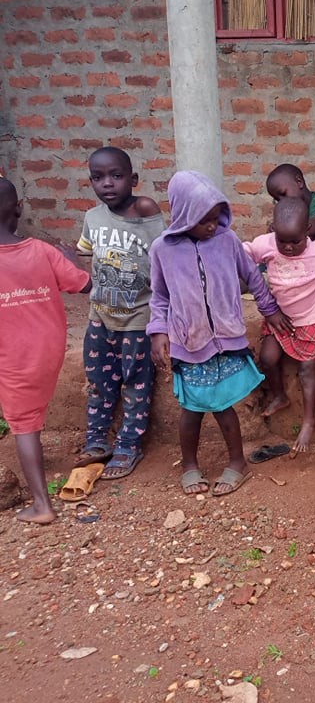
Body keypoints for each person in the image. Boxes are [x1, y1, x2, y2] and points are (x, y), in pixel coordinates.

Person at [147, 171, 291, 497]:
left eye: (216, 218)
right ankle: (189, 464)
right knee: (191, 409)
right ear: (183, 215)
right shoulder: (162, 249)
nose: (212, 226)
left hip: (225, 341)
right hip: (189, 341)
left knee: (224, 405)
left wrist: (269, 309)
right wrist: (158, 331)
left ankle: (238, 462)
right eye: (204, 221)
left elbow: (252, 277)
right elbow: (159, 296)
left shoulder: (228, 241)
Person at [0, 178, 91, 523]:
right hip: (49, 350)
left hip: (13, 356)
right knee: (29, 413)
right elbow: (83, 285)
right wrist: (73, 260)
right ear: (19, 209)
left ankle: (42, 505)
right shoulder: (42, 250)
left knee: (23, 423)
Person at [75, 147, 164, 480]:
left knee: (136, 383)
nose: (107, 184)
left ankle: (129, 444)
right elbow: (88, 254)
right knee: (99, 383)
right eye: (98, 178)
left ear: (133, 179)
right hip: (100, 317)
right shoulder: (93, 217)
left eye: (116, 176)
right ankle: (96, 441)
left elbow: (163, 254)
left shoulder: (145, 210)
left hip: (137, 318)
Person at [244, 197, 315, 455]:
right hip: (281, 318)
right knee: (267, 358)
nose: (288, 248)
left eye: (295, 241)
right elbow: (244, 253)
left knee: (307, 368)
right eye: (283, 241)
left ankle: (309, 420)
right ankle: (280, 395)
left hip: (312, 317)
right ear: (273, 231)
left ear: (307, 231)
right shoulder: (267, 244)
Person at [265, 163, 315, 234]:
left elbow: (311, 233)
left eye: (283, 194)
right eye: (278, 200)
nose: (282, 201)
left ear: (299, 182)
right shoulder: (292, 211)